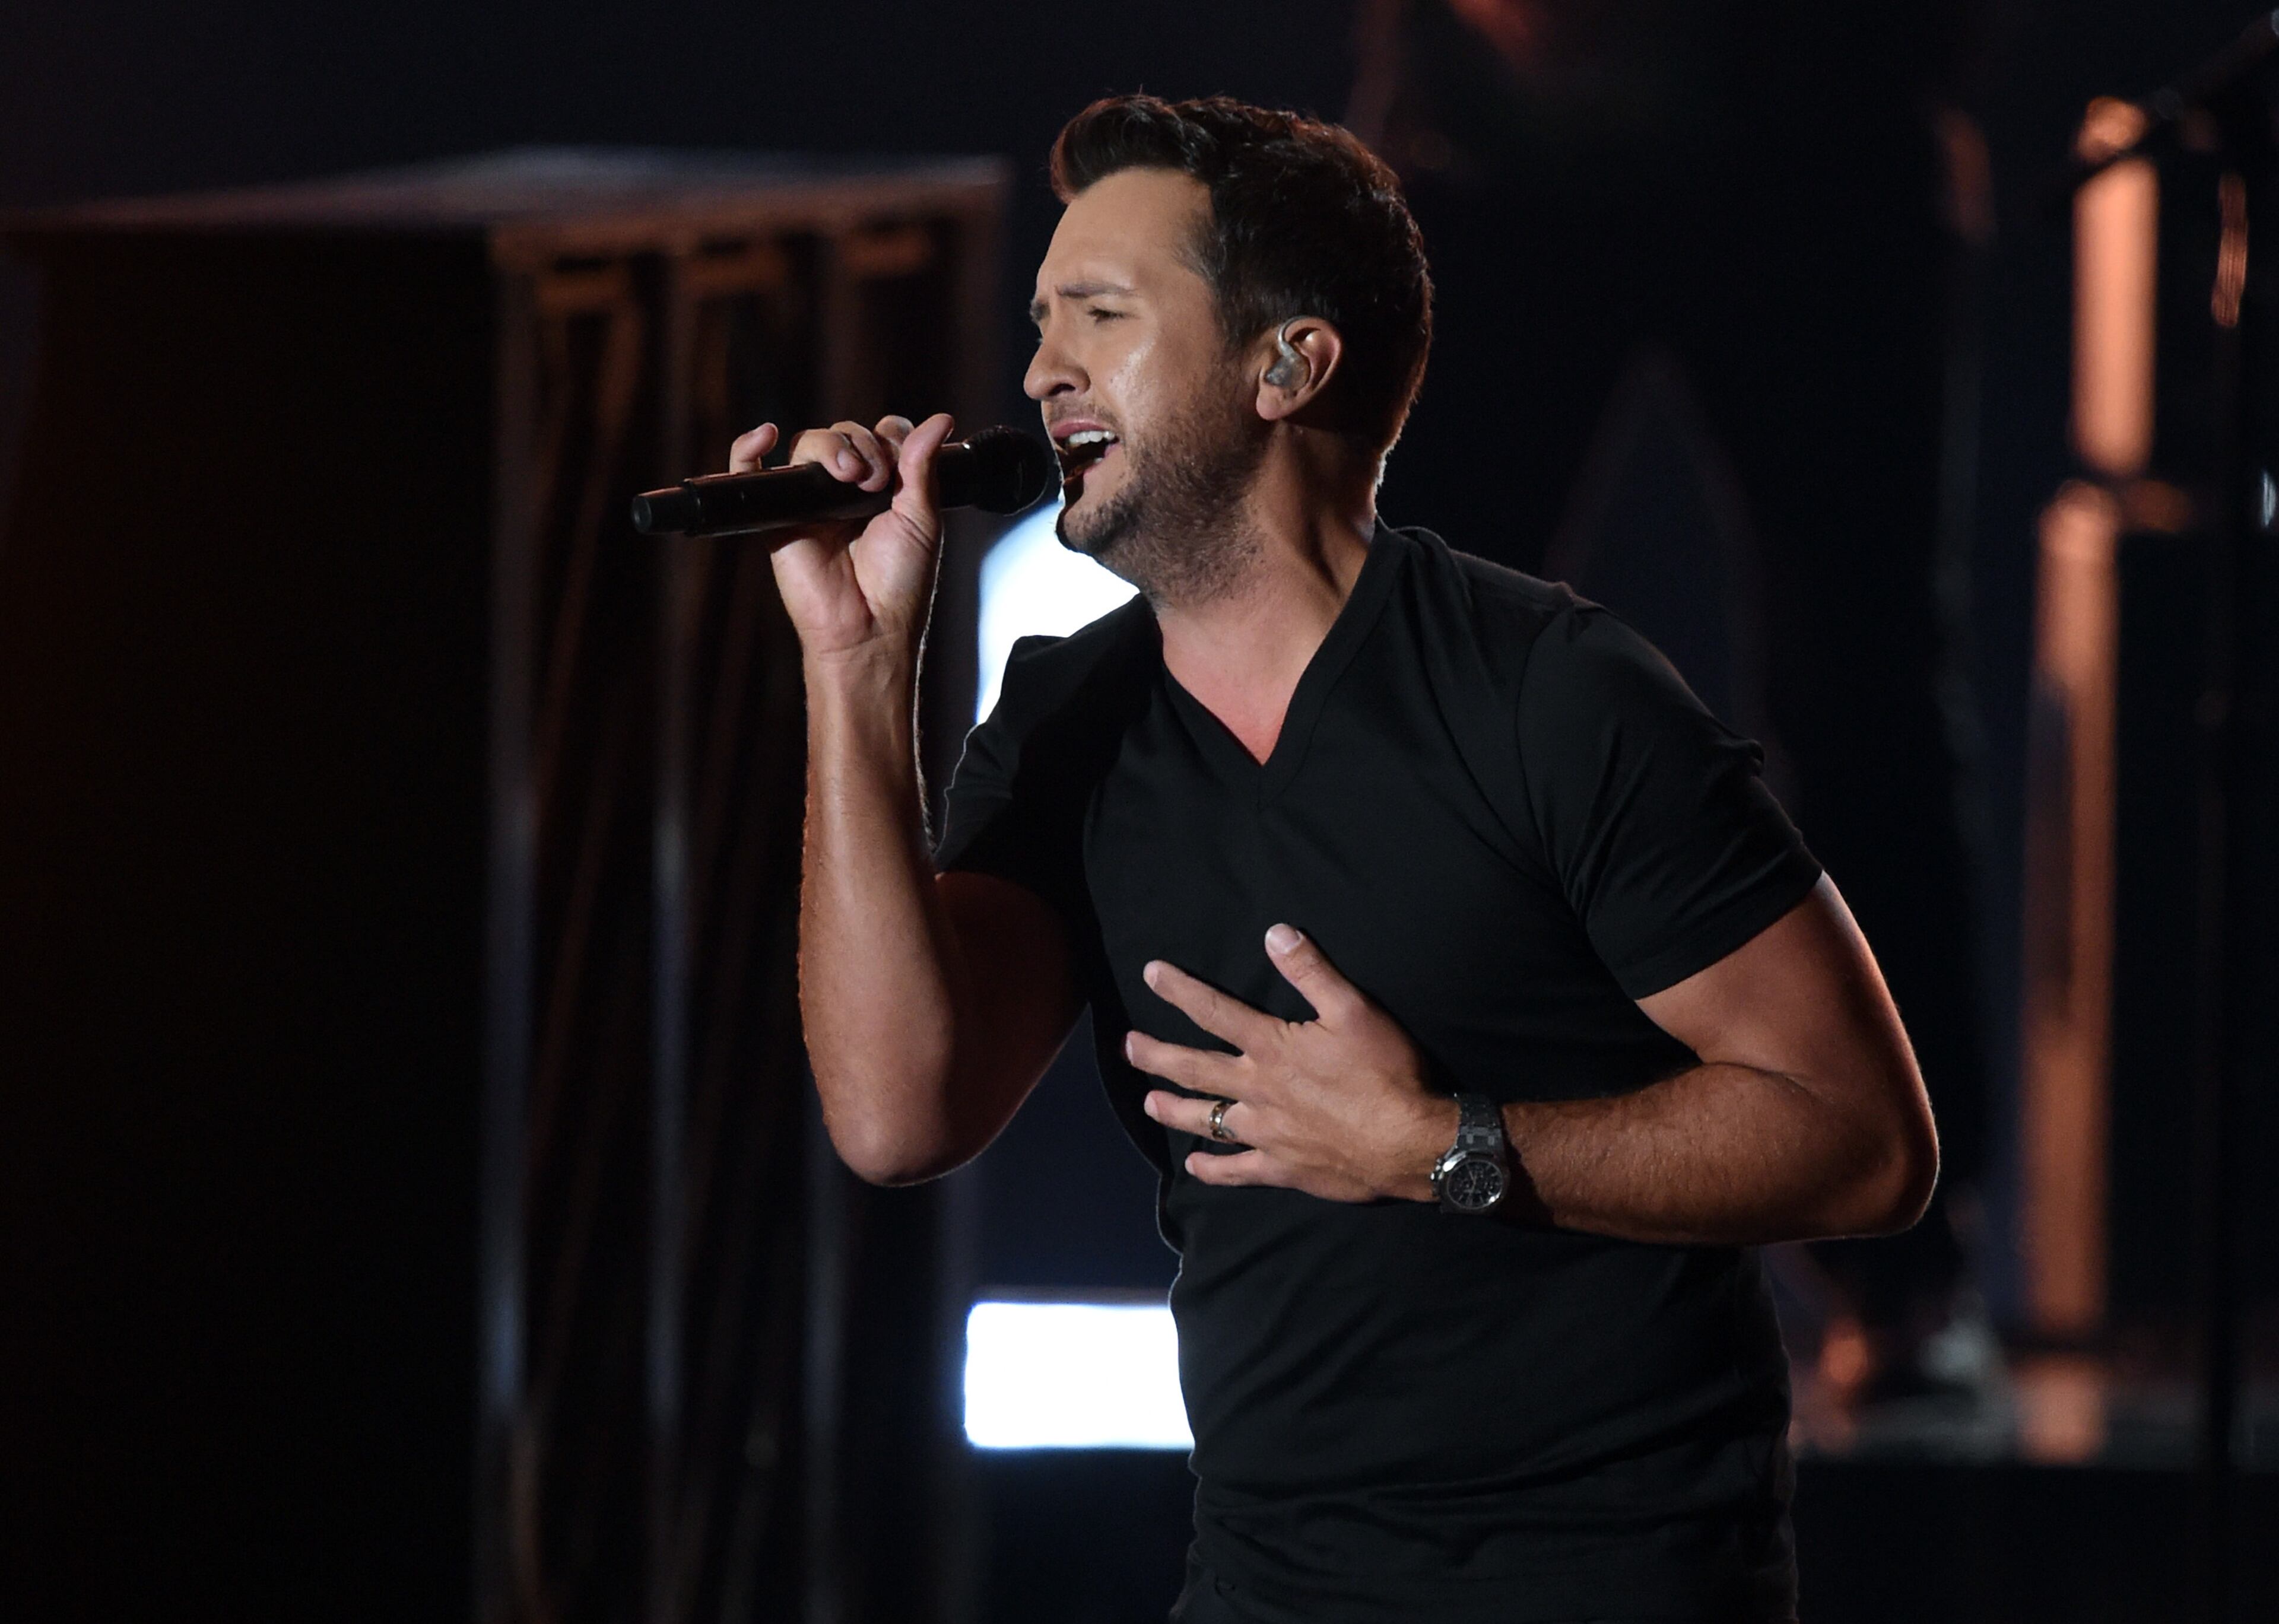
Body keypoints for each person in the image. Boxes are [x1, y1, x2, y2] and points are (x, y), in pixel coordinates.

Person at [737, 95, 1937, 1624]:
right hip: (1267, 1585)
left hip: (1613, 1586)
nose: (1041, 372)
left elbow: (1861, 1138)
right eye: (1042, 325)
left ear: (1288, 364)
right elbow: (902, 1113)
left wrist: (1439, 1146)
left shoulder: (1551, 693)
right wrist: (853, 667)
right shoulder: (1069, 723)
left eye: (1102, 317)